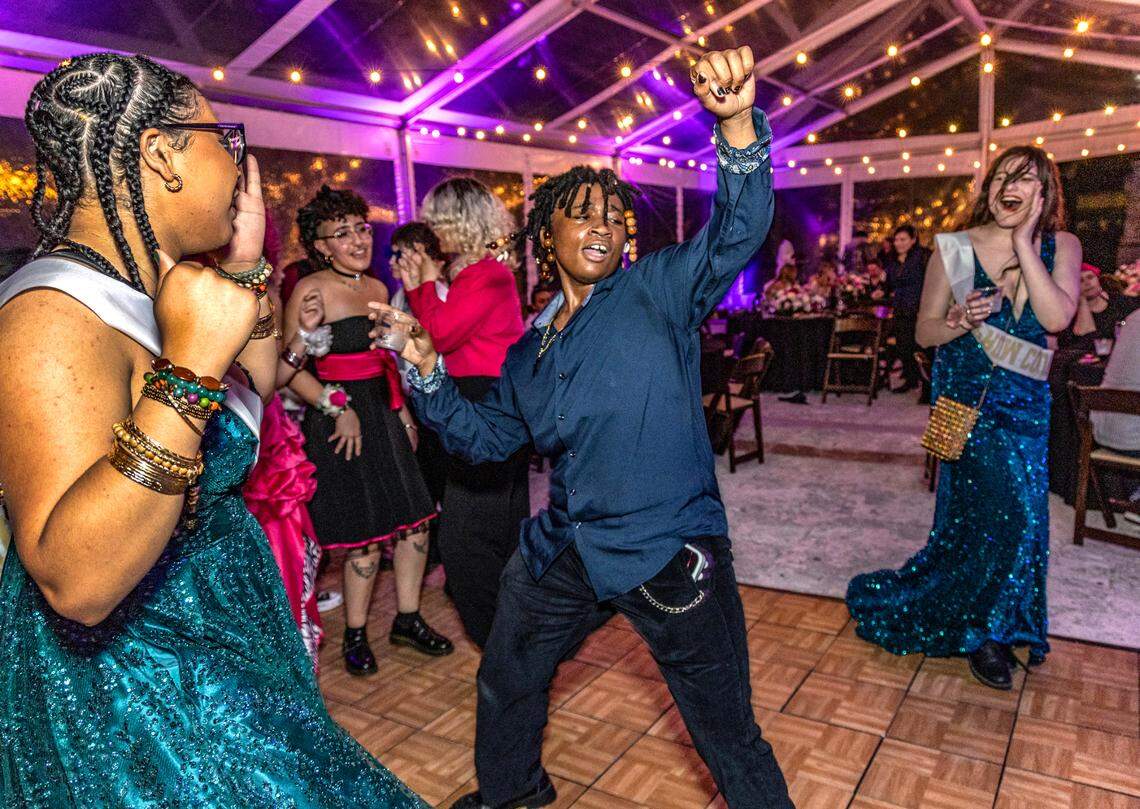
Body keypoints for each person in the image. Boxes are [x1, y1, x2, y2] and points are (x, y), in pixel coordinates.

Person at [372, 45, 793, 809]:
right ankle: (513, 791)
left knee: (727, 733)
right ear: (547, 237)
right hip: (566, 545)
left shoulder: (656, 290)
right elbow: (486, 439)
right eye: (584, 213)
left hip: (668, 550)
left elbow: (738, 228)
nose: (606, 224)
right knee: (507, 671)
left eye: (615, 216)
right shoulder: (528, 351)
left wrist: (735, 128)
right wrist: (425, 366)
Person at [0, 52, 425, 806]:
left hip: (219, 624)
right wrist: (191, 367)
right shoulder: (49, 317)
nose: (237, 163)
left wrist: (246, 263)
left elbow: (256, 384)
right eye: (220, 139)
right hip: (138, 691)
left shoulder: (162, 282)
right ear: (162, 154)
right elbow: (78, 582)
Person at [847, 146, 1081, 691]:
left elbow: (1056, 317)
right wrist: (958, 320)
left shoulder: (1061, 245)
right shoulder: (952, 248)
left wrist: (1023, 244)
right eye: (1001, 177)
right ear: (988, 188)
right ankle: (984, 632)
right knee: (996, 514)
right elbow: (923, 332)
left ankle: (1003, 619)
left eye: (1024, 178)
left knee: (1022, 520)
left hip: (1027, 408)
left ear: (1044, 191)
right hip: (966, 404)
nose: (1009, 186)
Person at [287, 186, 452, 674]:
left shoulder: (378, 288)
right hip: (340, 421)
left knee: (415, 521)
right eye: (343, 233)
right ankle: (355, 634)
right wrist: (337, 406)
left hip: (383, 411)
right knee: (364, 536)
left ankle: (408, 618)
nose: (359, 239)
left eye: (361, 228)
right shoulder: (310, 289)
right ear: (321, 246)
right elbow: (286, 371)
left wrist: (402, 413)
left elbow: (384, 362)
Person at [397, 177, 529, 649]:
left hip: (486, 402)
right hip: (483, 399)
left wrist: (422, 286)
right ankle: (511, 635)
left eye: (436, 220)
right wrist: (423, 287)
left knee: (464, 537)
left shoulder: (486, 274)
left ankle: (499, 640)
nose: (431, 230)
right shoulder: (476, 274)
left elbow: (439, 336)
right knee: (499, 526)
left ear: (458, 222)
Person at [243, 258, 326, 668]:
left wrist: (303, 336)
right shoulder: (194, 291)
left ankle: (289, 675)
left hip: (269, 449)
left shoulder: (261, 291)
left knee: (284, 563)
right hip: (226, 446)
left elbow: (269, 381)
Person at [885, 224, 931, 393]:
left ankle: (928, 386)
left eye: (903, 239)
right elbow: (890, 284)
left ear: (913, 240)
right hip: (900, 309)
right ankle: (911, 379)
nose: (898, 243)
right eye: (896, 240)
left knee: (922, 349)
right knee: (904, 346)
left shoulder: (922, 257)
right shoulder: (893, 261)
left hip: (919, 309)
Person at [1057, 263, 1140, 351]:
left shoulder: (1122, 302)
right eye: (1080, 280)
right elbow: (1083, 343)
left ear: (1098, 279)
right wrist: (1082, 301)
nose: (1087, 283)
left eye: (1090, 277)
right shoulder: (1068, 315)